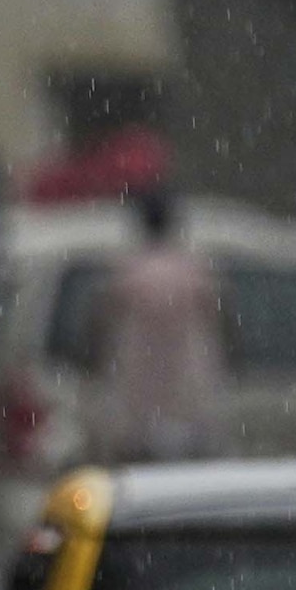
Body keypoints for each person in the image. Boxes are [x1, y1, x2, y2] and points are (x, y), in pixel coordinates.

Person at [89, 177, 226, 466]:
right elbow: (221, 328)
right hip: (191, 407)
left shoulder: (126, 274)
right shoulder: (196, 273)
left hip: (134, 412)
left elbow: (99, 334)